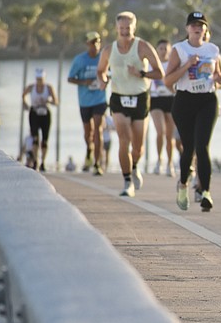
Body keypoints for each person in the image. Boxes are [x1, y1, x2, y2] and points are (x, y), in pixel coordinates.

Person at [96, 11, 164, 197]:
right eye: (121, 28)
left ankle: (134, 167)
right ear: (116, 28)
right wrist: (103, 81)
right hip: (118, 98)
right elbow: (101, 70)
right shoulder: (109, 50)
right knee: (123, 139)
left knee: (138, 147)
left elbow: (160, 73)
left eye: (128, 28)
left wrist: (141, 74)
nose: (125, 32)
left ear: (134, 28)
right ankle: (127, 181)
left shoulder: (142, 47)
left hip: (140, 97)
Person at [164, 11, 221, 212]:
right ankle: (183, 185)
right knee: (188, 148)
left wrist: (219, 80)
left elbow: (220, 78)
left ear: (206, 29)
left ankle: (205, 191)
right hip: (184, 101)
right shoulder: (179, 50)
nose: (197, 28)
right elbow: (168, 81)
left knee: (202, 146)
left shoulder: (213, 49)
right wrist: (187, 65)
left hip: (207, 100)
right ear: (187, 29)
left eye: (201, 25)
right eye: (193, 25)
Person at [67, 30, 106, 175]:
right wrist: (85, 82)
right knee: (88, 133)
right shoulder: (80, 60)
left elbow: (110, 74)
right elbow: (70, 78)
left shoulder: (104, 57)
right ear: (87, 44)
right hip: (85, 101)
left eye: (97, 42)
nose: (95, 45)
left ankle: (97, 163)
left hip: (100, 99)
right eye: (91, 43)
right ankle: (89, 150)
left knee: (98, 130)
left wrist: (105, 80)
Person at [22, 68, 58, 172]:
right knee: (35, 138)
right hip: (34, 113)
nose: (39, 81)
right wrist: (25, 104)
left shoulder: (49, 88)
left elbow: (56, 101)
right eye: (37, 79)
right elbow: (23, 95)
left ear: (44, 78)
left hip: (45, 113)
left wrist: (49, 101)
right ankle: (35, 161)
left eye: (41, 79)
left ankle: (43, 162)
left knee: (45, 140)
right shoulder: (31, 87)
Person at [149, 39, 176, 177]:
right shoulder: (151, 65)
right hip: (155, 100)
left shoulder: (173, 65)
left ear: (170, 50)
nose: (163, 51)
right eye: (161, 48)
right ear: (156, 50)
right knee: (160, 131)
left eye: (166, 48)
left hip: (170, 99)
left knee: (169, 135)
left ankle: (170, 163)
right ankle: (159, 160)